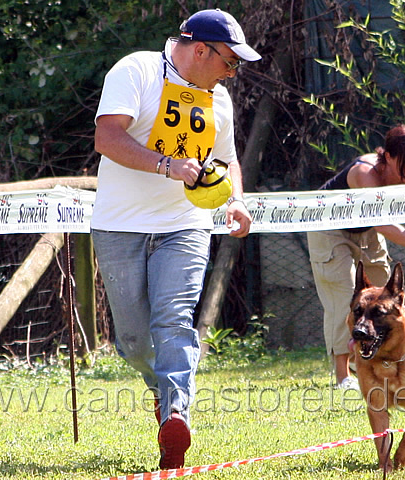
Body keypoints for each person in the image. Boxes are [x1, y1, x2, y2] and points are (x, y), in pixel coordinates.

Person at [91, 9, 259, 469]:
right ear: (200, 49)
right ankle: (163, 396)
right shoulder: (137, 70)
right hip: (119, 224)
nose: (232, 72)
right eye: (229, 61)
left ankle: (176, 414)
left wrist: (236, 201)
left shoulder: (218, 101)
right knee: (133, 340)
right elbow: (106, 138)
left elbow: (226, 161)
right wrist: (167, 164)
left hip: (185, 226)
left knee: (174, 320)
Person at [307, 125, 405, 390]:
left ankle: (386, 358)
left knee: (387, 295)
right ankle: (343, 377)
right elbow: (382, 223)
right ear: (390, 157)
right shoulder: (365, 173)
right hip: (329, 229)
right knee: (349, 295)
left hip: (366, 231)